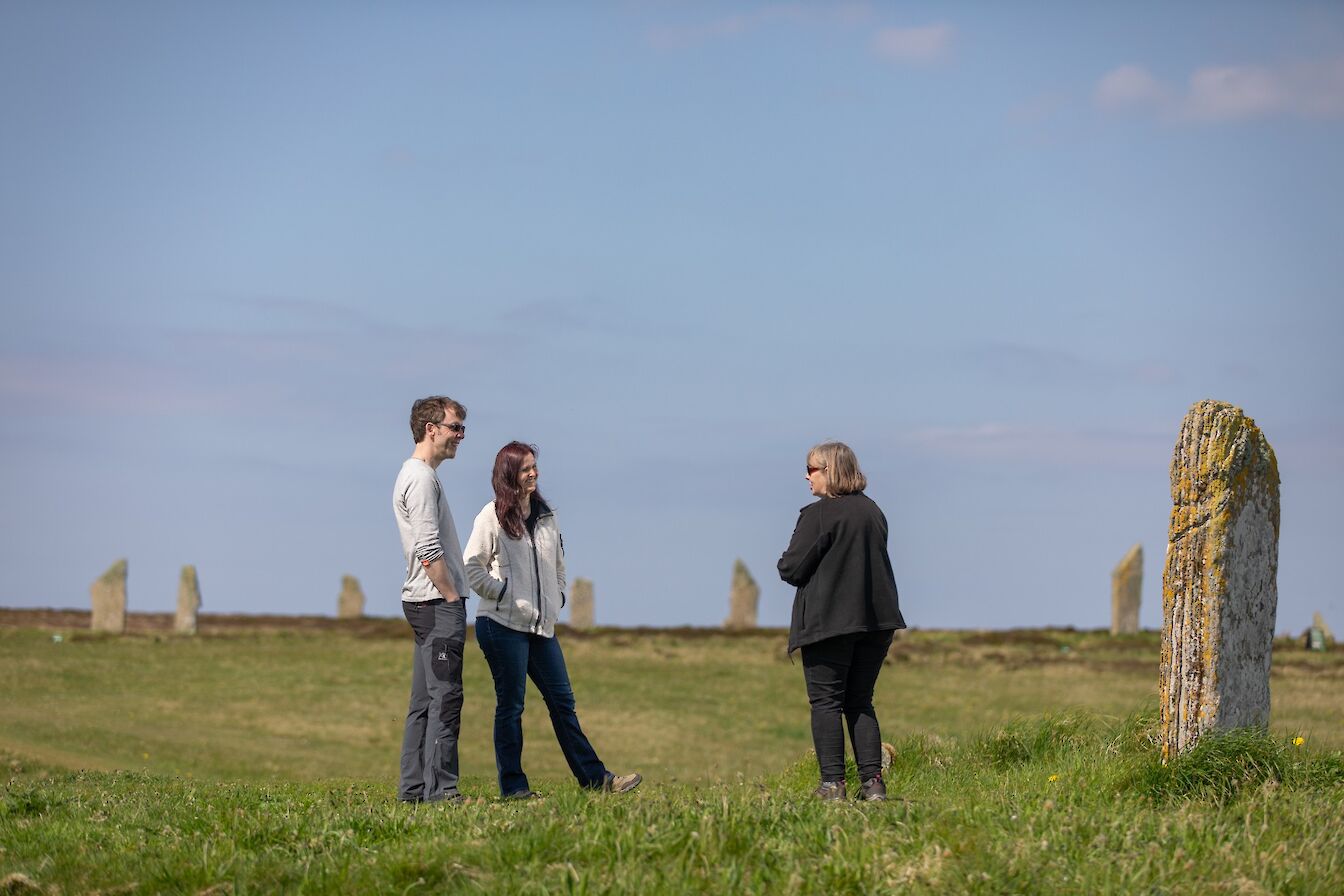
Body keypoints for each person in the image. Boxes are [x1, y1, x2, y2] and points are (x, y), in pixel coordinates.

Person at [464, 441, 641, 799]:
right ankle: (514, 789)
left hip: (542, 628)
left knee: (563, 703)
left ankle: (598, 781)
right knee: (511, 707)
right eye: (527, 468)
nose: (535, 473)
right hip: (501, 627)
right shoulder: (491, 516)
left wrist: (557, 597)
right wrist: (502, 594)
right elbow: (472, 566)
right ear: (509, 474)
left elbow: (558, 566)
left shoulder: (547, 516)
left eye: (535, 466)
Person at [777, 441, 906, 802]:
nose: (807, 476)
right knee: (861, 701)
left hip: (830, 622)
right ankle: (873, 784)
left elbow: (790, 568)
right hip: (878, 622)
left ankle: (832, 785)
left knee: (827, 702)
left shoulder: (819, 514)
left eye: (812, 469)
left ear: (830, 470)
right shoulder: (873, 511)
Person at [392, 396, 471, 804]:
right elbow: (428, 549)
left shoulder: (415, 475)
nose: (461, 436)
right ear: (431, 429)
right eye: (455, 427)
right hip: (436, 604)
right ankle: (443, 792)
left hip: (423, 603)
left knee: (423, 701)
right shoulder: (421, 478)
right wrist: (453, 596)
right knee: (446, 697)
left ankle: (413, 792)